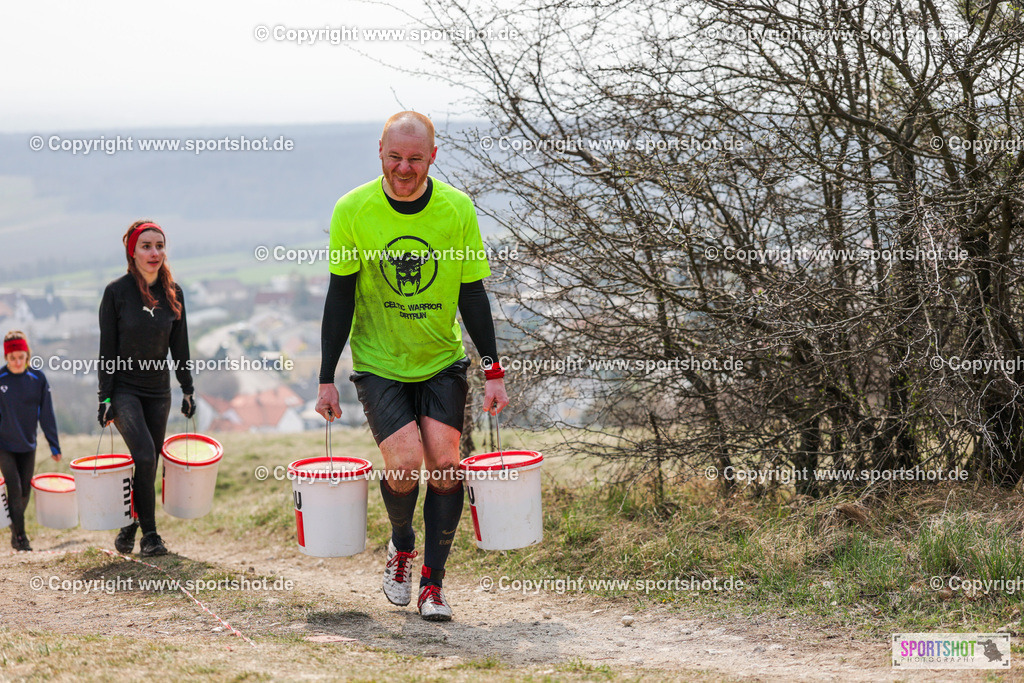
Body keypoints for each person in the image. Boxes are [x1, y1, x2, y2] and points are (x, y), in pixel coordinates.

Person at [317, 111, 509, 622]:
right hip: (380, 361)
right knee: (404, 463)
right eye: (395, 157)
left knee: (446, 465)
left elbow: (472, 292)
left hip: (441, 359)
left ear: (432, 158)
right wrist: (325, 378)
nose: (404, 168)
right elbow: (340, 296)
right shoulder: (353, 210)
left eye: (415, 159)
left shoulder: (456, 210)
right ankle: (402, 546)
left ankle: (433, 584)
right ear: (380, 150)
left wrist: (492, 370)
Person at [98, 220, 195, 557]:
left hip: (159, 391)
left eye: (159, 245)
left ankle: (130, 524)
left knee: (150, 461)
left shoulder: (174, 292)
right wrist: (105, 397)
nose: (155, 252)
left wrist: (187, 389)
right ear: (133, 252)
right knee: (142, 454)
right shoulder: (116, 292)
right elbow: (106, 349)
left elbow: (179, 346)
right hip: (124, 389)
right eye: (146, 246)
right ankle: (150, 536)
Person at [0, 331, 62, 551]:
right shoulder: (1, 380)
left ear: (27, 355)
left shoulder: (38, 378)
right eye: (12, 358)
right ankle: (21, 537)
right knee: (14, 487)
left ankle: (14, 530)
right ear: (6, 357)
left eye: (21, 357)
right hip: (4, 445)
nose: (17, 362)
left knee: (25, 491)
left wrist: (54, 444)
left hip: (28, 444)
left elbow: (47, 414)